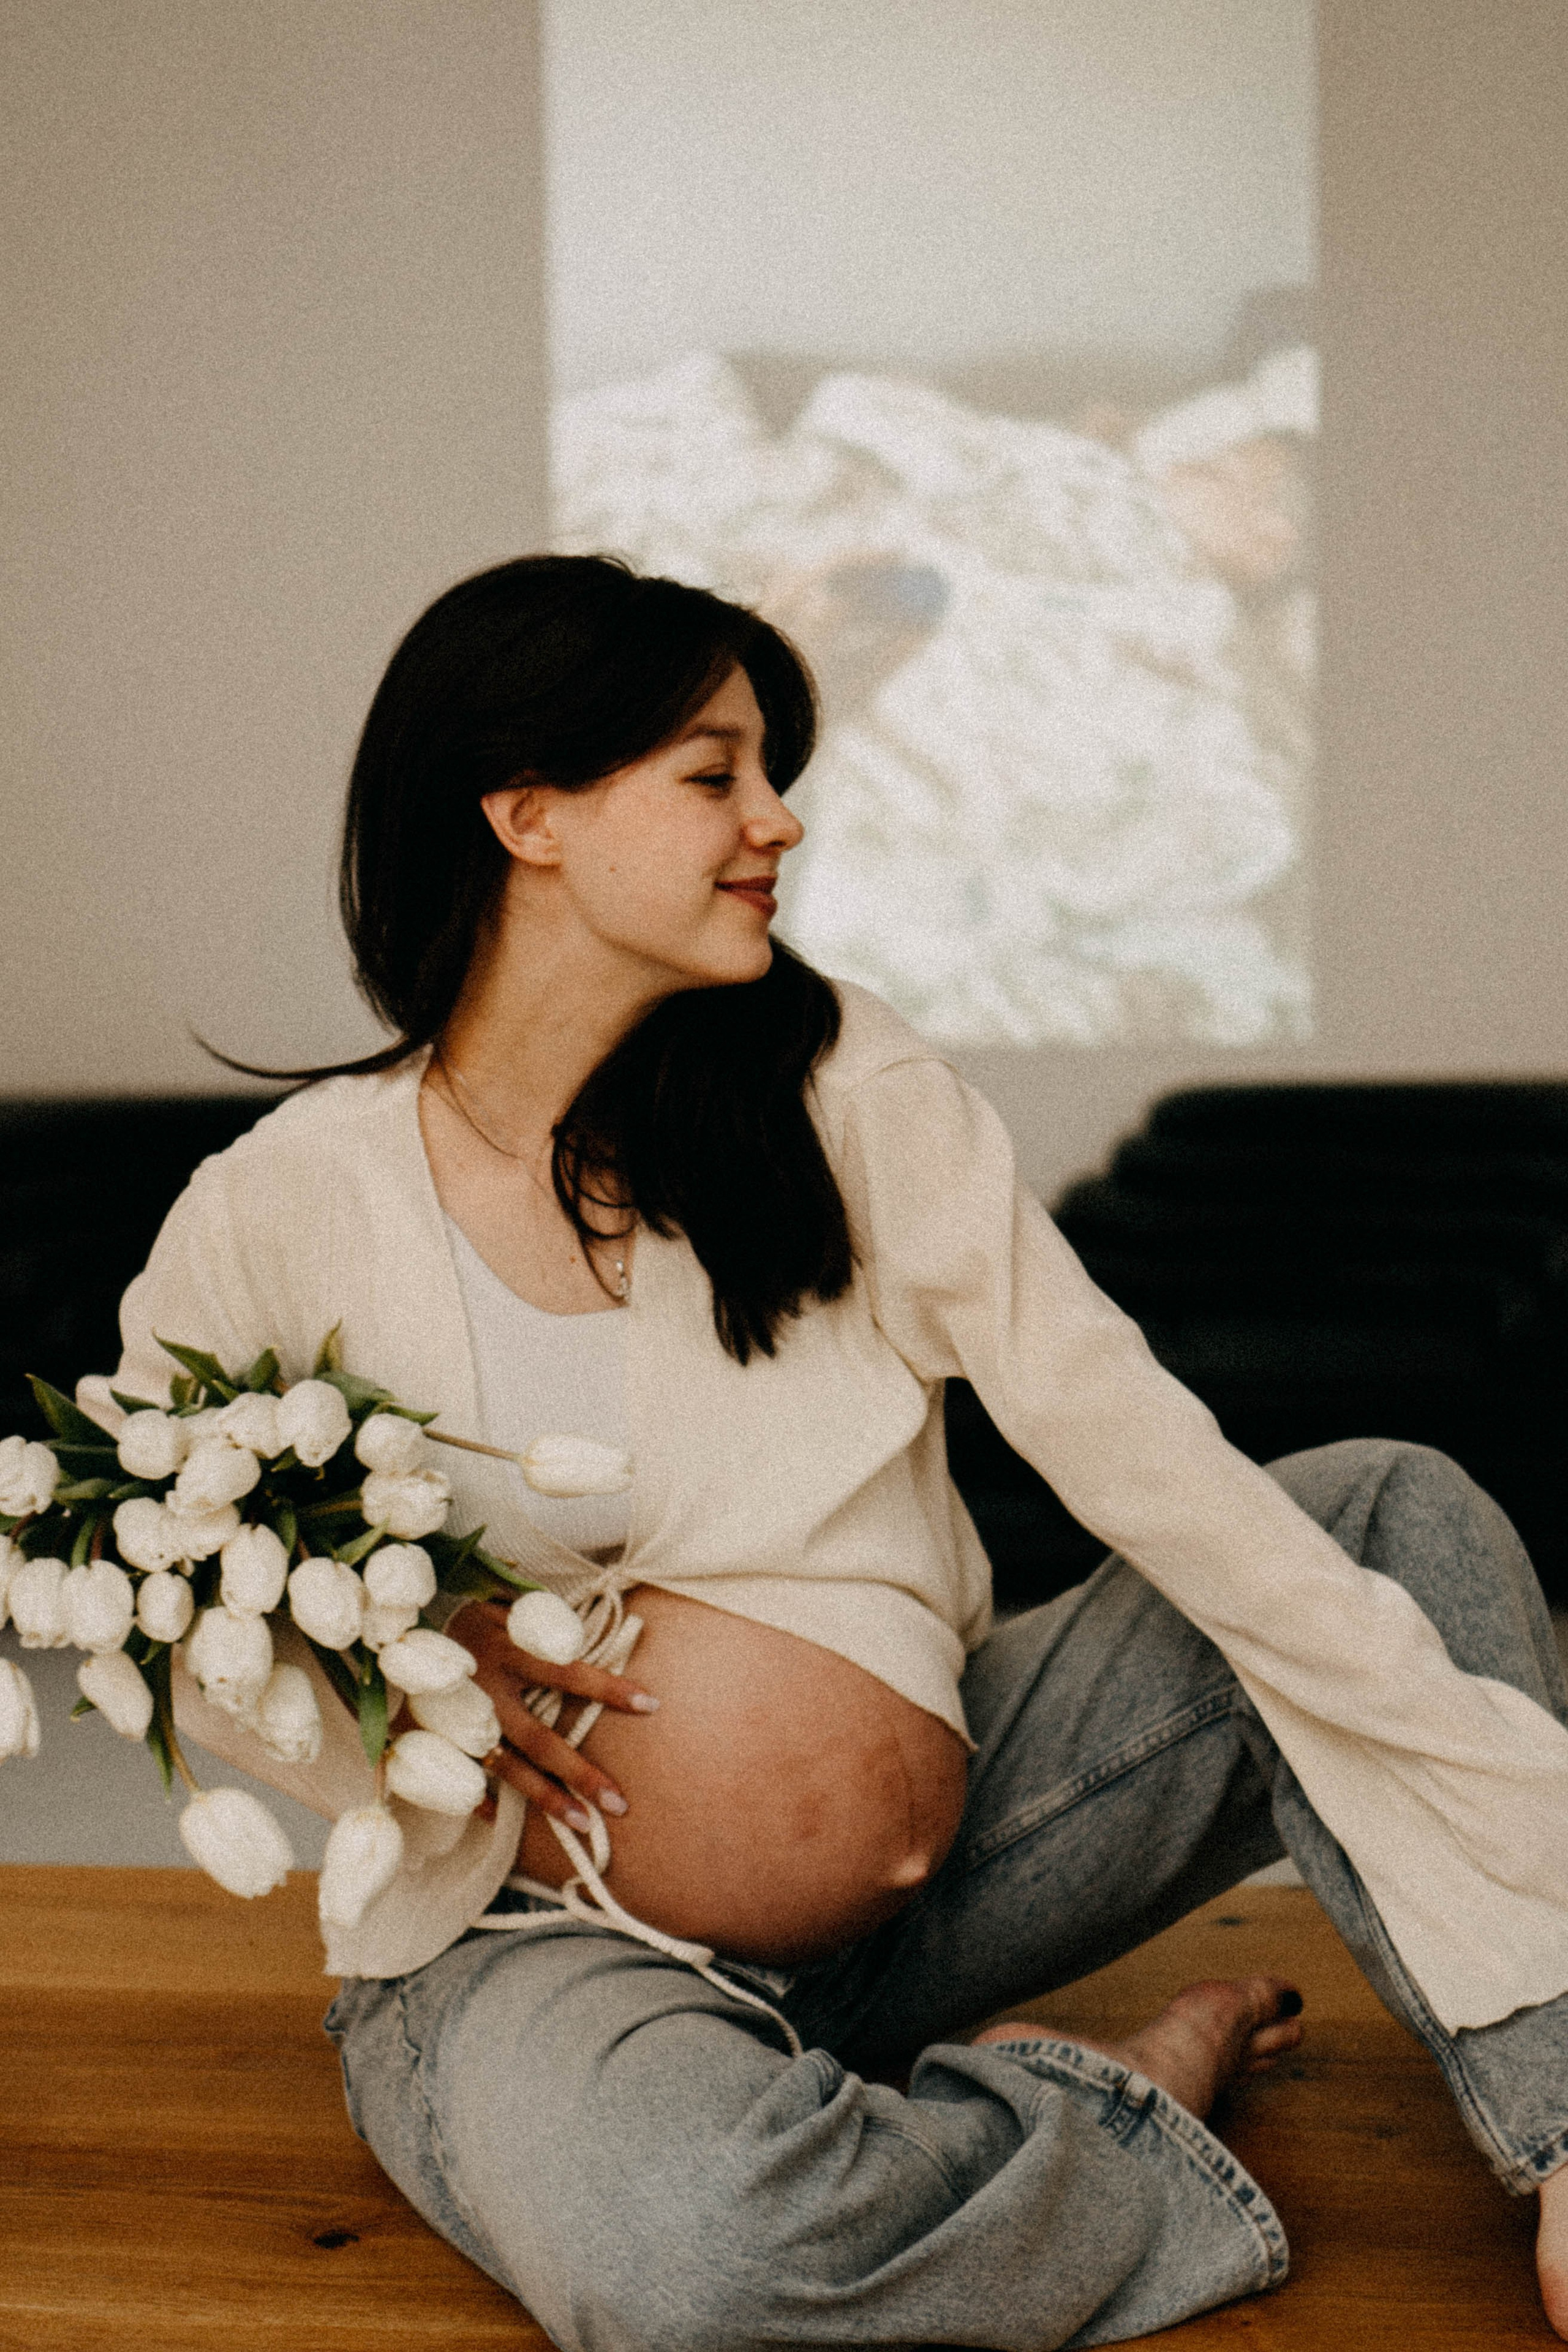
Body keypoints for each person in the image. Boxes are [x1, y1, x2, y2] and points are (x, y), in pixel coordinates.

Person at [111, 555, 1568, 2350]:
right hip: (533, 1950)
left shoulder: (843, 1093)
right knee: (699, 2260)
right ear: (528, 812)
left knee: (1394, 1510)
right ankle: (1101, 2115)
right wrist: (393, 1679)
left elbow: (1138, 1453)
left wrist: (1535, 1848)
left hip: (955, 1874)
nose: (777, 823)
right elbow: (161, 1590)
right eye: (714, 774)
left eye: (769, 773)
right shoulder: (281, 1205)